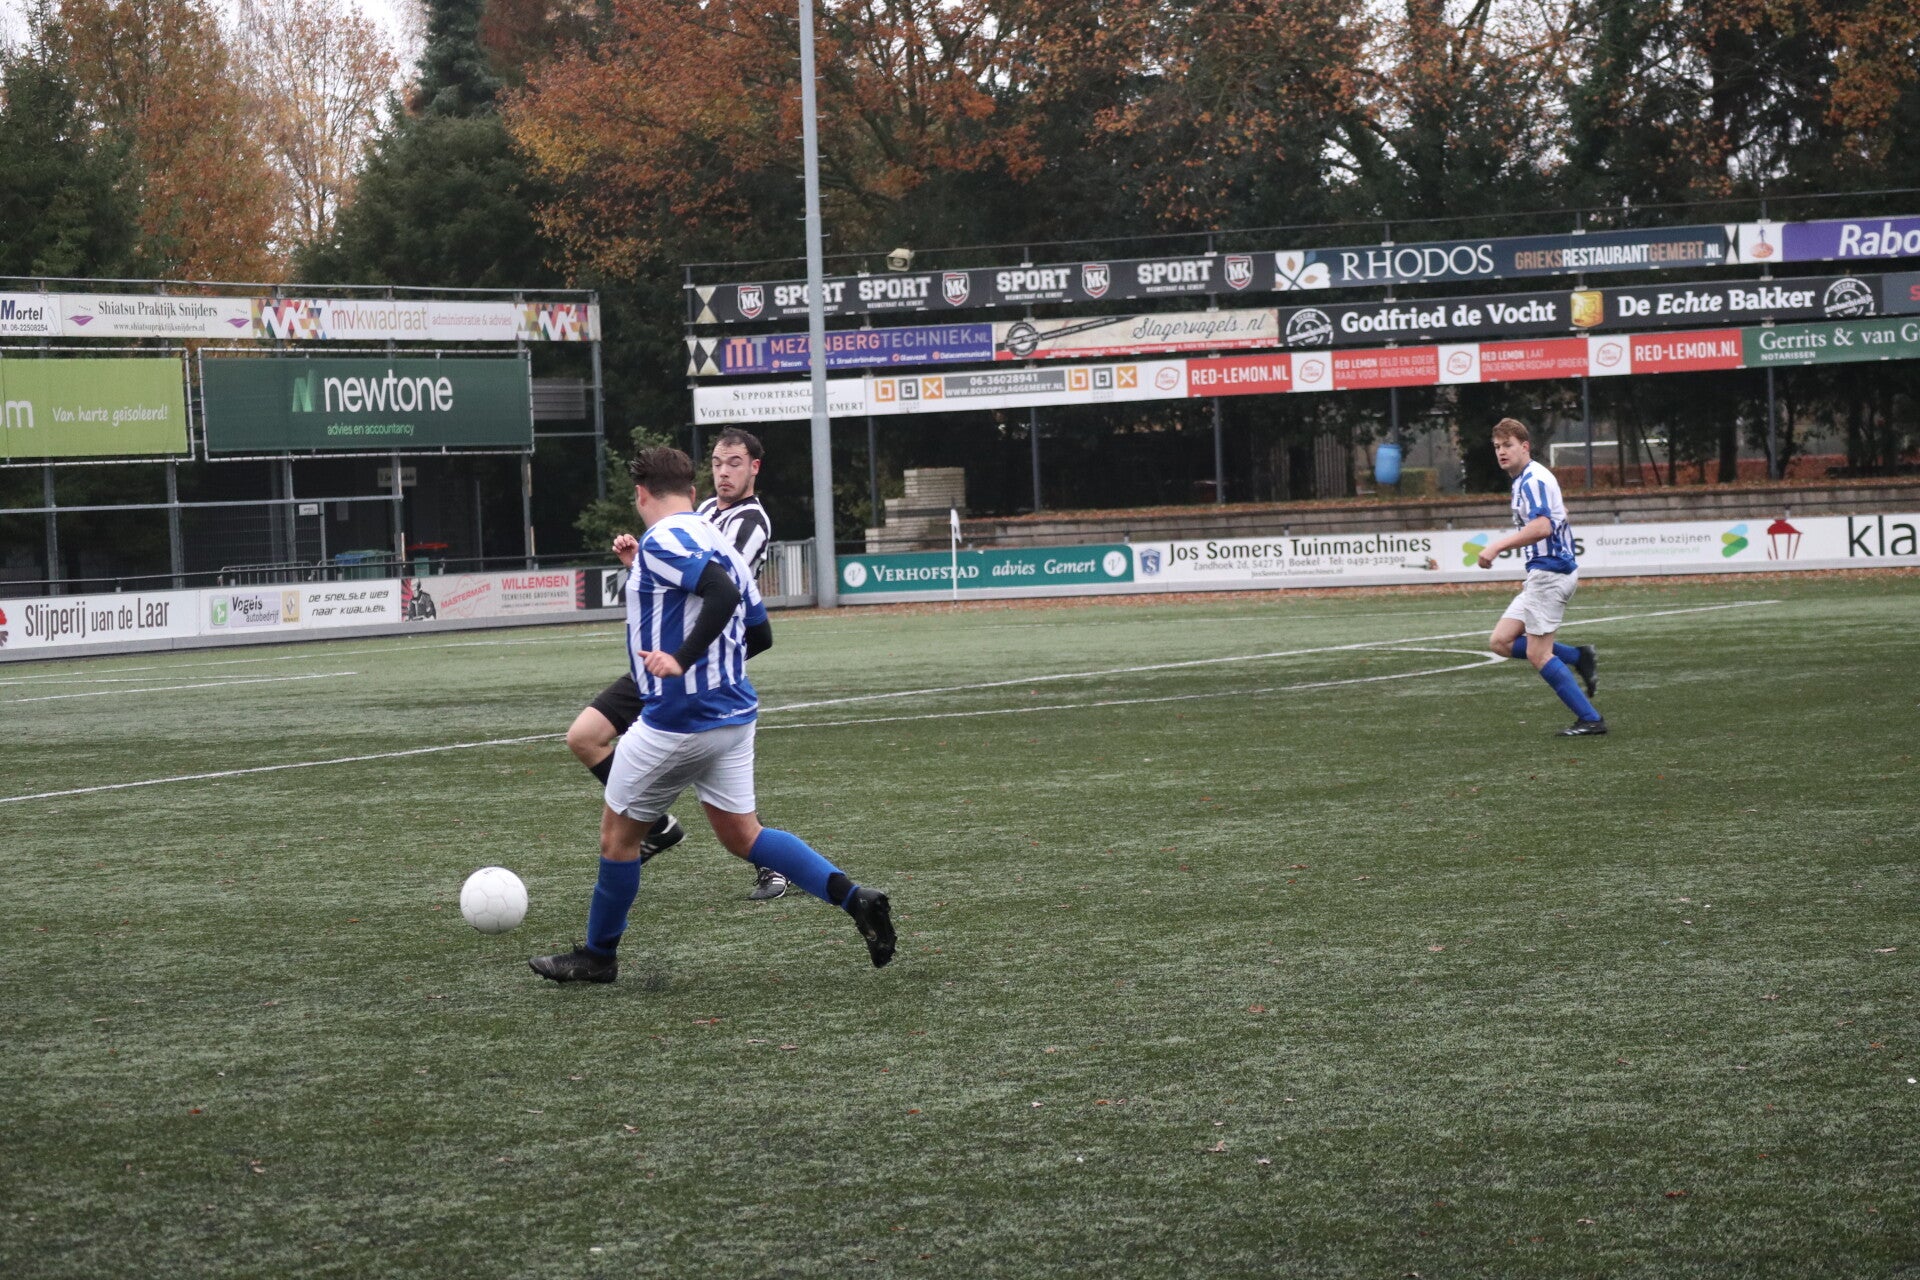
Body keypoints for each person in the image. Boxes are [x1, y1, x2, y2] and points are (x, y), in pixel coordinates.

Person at [530, 446, 895, 983]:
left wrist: (682, 659)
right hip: (734, 713)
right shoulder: (715, 539)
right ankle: (854, 897)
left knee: (618, 839)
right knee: (743, 836)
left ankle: (599, 956)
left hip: (680, 719)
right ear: (693, 492)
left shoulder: (664, 539)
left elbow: (717, 592)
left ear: (640, 495)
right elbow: (759, 632)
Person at [563, 429, 787, 898]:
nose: (723, 472)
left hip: (696, 667)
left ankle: (773, 866)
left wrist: (689, 659)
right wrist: (638, 563)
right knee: (585, 737)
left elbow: (720, 591)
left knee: (723, 795)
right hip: (661, 662)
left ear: (754, 468)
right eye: (717, 463)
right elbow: (679, 587)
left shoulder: (750, 523)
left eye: (734, 463)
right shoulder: (701, 512)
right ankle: (659, 826)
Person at [1477, 418, 1606, 736]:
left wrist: (1496, 546)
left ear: (1525, 446)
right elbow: (1555, 518)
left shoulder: (1532, 480)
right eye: (1497, 447)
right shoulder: (1527, 478)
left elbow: (1542, 527)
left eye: (1508, 445)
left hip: (1550, 573)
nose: (1501, 451)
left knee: (1538, 653)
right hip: (1546, 572)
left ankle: (1590, 719)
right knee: (1501, 642)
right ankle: (1578, 656)